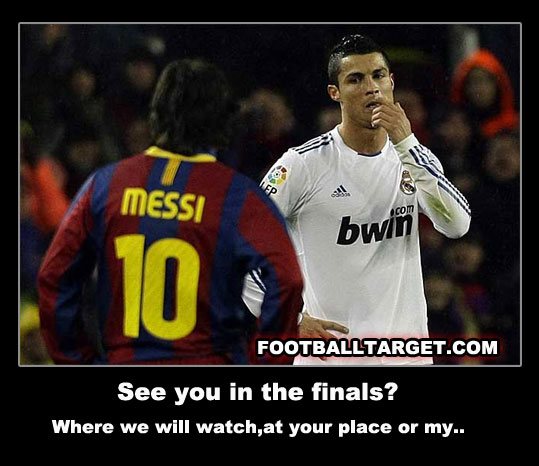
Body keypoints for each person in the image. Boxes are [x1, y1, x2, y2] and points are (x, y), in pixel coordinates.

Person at [38, 58, 304, 365]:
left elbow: (54, 277)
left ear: (157, 112)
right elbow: (287, 280)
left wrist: (78, 360)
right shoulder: (240, 197)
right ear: (222, 120)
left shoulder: (105, 185)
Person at [242, 34, 471, 365]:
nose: (371, 88)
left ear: (391, 82)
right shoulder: (302, 165)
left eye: (378, 76)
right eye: (355, 79)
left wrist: (407, 144)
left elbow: (457, 225)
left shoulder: (413, 157)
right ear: (334, 93)